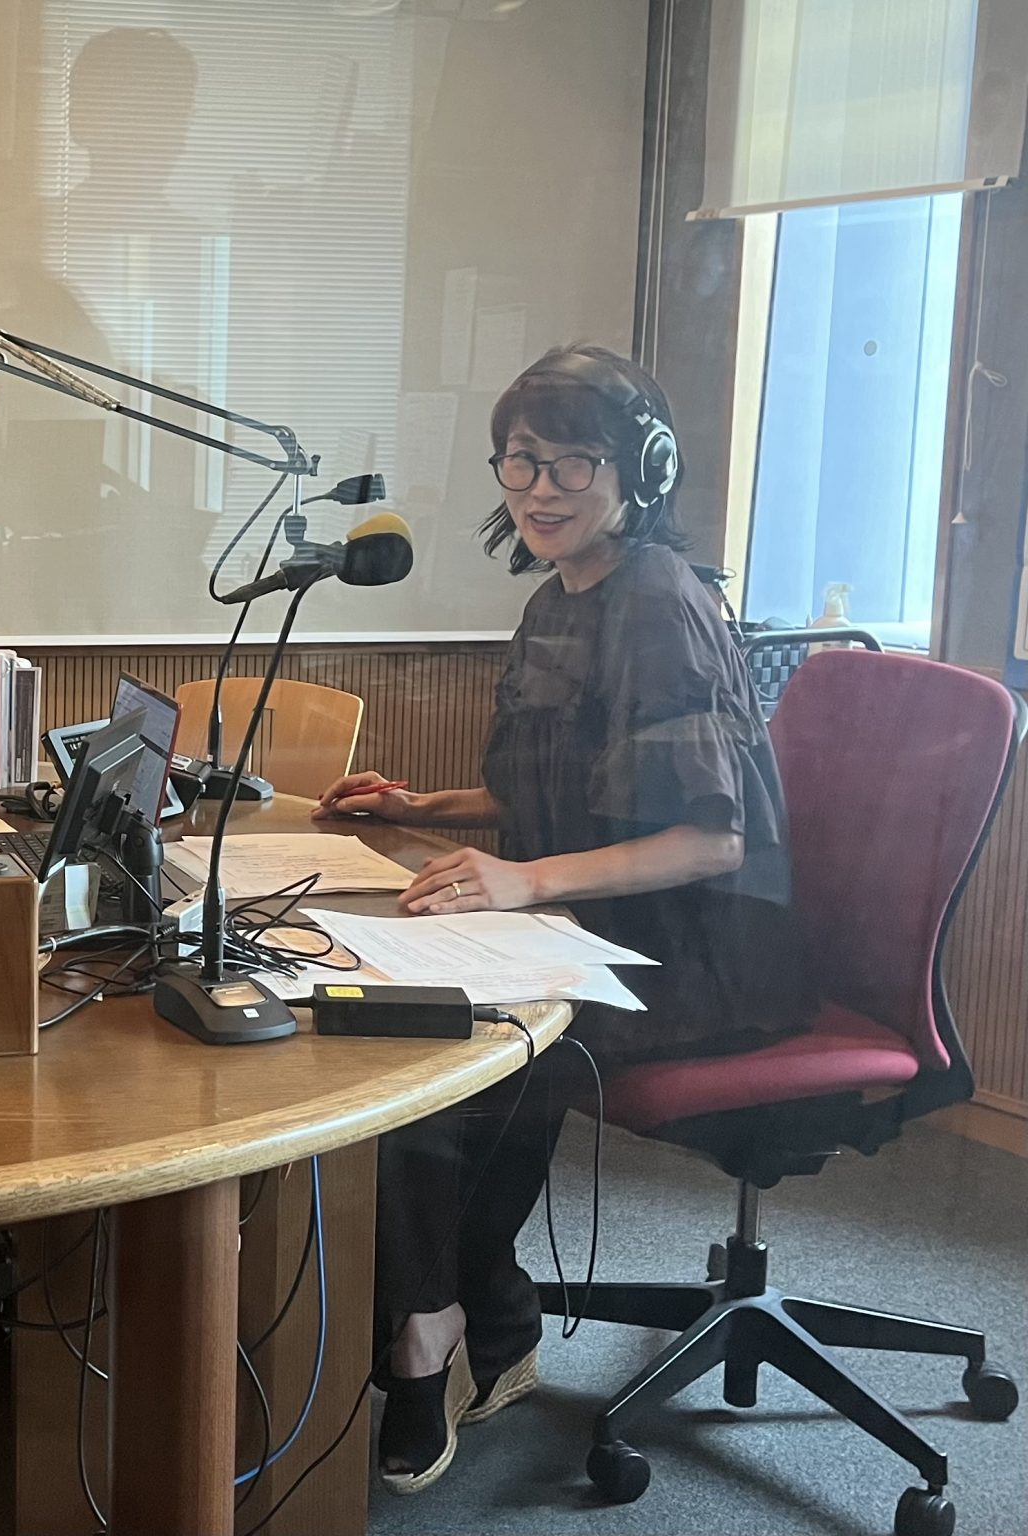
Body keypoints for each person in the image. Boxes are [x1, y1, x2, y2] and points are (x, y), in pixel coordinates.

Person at [313, 347, 813, 1494]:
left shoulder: (659, 604)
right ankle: (479, 1318)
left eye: (571, 461)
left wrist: (521, 882)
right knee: (384, 1029)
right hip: (586, 921)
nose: (539, 488)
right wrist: (418, 807)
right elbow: (561, 794)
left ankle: (434, 1332)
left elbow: (709, 840)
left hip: (691, 954)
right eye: (519, 461)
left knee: (449, 1062)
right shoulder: (555, 601)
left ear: (639, 470)